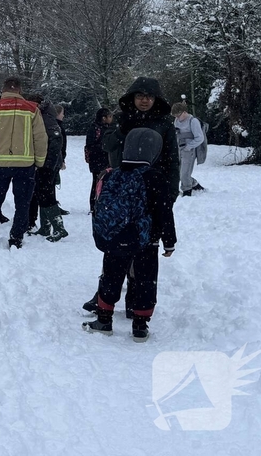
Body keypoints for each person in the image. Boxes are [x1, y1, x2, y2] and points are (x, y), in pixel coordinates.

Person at [83, 77, 180, 318]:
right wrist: (121, 130)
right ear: (132, 98)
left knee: (145, 248)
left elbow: (172, 159)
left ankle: (136, 301)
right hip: (121, 192)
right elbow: (107, 146)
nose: (144, 100)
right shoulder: (122, 118)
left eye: (149, 96)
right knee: (117, 244)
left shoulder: (164, 123)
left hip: (151, 193)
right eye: (139, 96)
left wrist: (170, 192)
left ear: (156, 99)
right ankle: (105, 295)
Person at [83, 127, 177, 342]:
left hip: (115, 238)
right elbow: (164, 212)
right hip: (146, 240)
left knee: (111, 277)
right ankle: (140, 326)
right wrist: (169, 241)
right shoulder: (155, 177)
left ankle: (104, 320)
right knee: (145, 280)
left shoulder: (111, 174)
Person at [0, 76, 48, 249]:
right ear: (20, 90)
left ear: (3, 89)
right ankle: (16, 237)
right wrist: (39, 161)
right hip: (25, 164)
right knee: (22, 204)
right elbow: (40, 138)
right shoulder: (32, 109)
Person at [25, 96, 67, 242]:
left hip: (48, 164)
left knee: (46, 194)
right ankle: (45, 227)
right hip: (45, 162)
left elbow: (56, 139)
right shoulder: (44, 115)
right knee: (42, 193)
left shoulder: (45, 118)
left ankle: (59, 228)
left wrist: (47, 162)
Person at [171, 102, 206, 196]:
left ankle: (187, 191)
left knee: (185, 173)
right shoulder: (176, 120)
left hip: (189, 150)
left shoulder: (193, 121)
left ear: (184, 112)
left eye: (178, 115)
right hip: (179, 149)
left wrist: (189, 146)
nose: (177, 118)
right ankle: (195, 184)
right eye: (175, 116)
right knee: (178, 172)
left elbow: (200, 138)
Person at [84, 108, 114, 213]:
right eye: (109, 116)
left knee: (104, 183)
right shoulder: (95, 129)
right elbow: (90, 146)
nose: (111, 119)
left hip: (106, 161)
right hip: (97, 161)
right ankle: (94, 205)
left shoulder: (108, 128)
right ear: (103, 118)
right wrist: (104, 147)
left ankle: (103, 204)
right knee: (97, 183)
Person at [53, 104, 70, 215]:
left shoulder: (55, 125)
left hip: (55, 158)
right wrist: (62, 159)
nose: (63, 115)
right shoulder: (57, 127)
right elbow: (60, 146)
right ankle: (52, 205)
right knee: (52, 182)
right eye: (62, 113)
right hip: (55, 158)